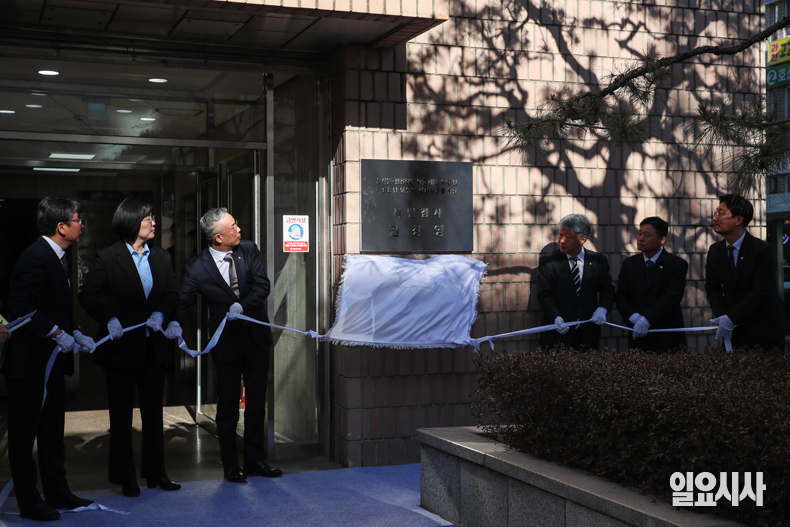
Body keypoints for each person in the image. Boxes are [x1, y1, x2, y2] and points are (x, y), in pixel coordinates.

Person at [167, 207, 282, 482]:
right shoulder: (197, 267)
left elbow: (262, 286)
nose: (239, 230)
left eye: (237, 224)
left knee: (256, 403)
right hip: (226, 344)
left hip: (255, 339)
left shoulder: (248, 250)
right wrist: (174, 323)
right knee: (228, 405)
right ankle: (231, 465)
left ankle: (255, 460)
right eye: (233, 227)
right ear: (218, 237)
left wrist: (243, 305)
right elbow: (184, 301)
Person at [78, 197, 181, 497]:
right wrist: (109, 318)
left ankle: (156, 473)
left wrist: (161, 314)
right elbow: (88, 295)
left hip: (154, 349)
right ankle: (126, 477)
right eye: (148, 218)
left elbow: (171, 293)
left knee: (154, 415)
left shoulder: (161, 257)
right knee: (121, 418)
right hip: (120, 351)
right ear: (132, 222)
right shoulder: (108, 257)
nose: (154, 223)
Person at [1, 196, 96, 521]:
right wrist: (55, 332)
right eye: (77, 220)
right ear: (61, 227)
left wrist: (74, 331)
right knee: (24, 437)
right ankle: (29, 501)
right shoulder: (36, 256)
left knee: (53, 434)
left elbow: (52, 305)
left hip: (51, 366)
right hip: (29, 367)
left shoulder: (58, 256)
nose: (81, 225)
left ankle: (58, 492)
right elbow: (20, 306)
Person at [705, 193, 789, 352]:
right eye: (715, 213)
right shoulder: (715, 251)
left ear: (738, 219)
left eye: (721, 213)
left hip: (765, 331)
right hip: (734, 332)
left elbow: (761, 291)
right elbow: (712, 288)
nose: (715, 218)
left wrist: (731, 318)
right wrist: (723, 317)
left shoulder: (762, 250)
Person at [537, 214, 615, 351]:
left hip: (588, 335)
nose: (561, 241)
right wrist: (556, 317)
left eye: (568, 237)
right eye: (560, 235)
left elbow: (607, 290)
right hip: (557, 335)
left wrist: (602, 309)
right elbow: (545, 295)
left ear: (582, 239)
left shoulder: (598, 261)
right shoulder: (549, 262)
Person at [616, 217, 689, 352]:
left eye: (647, 235)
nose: (641, 238)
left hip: (666, 336)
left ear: (662, 240)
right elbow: (621, 296)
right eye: (639, 234)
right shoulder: (629, 264)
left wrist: (647, 320)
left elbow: (671, 297)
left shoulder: (676, 264)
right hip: (638, 335)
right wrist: (634, 317)